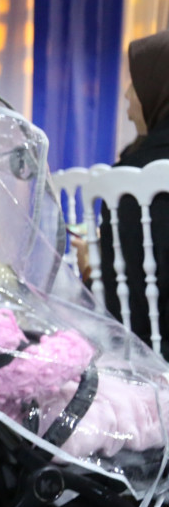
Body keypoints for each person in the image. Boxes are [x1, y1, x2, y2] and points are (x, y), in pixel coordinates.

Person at [0, 229, 166, 460]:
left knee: (112, 390)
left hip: (38, 407)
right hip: (40, 426)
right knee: (114, 411)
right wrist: (75, 346)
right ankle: (157, 423)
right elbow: (24, 373)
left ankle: (155, 403)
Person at [99, 30, 169, 358]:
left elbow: (122, 314)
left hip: (148, 367)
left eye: (136, 83)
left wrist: (92, 268)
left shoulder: (128, 183)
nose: (128, 100)